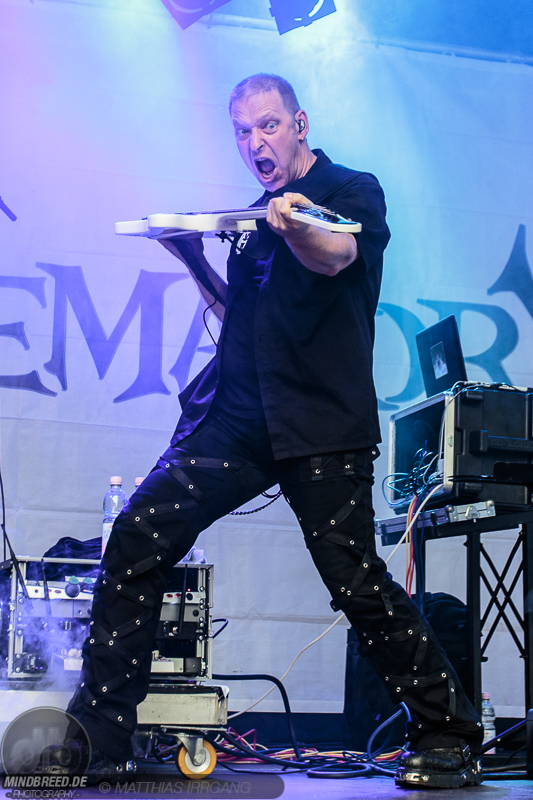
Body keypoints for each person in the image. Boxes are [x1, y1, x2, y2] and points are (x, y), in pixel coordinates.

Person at [64, 74, 483, 788]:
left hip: (320, 423)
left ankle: (450, 732)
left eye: (267, 126)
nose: (255, 142)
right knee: (136, 534)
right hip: (237, 422)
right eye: (242, 131)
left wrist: (293, 225)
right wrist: (190, 253)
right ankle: (100, 738)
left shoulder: (351, 192)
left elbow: (335, 256)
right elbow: (238, 315)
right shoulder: (255, 217)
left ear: (299, 124)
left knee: (355, 579)